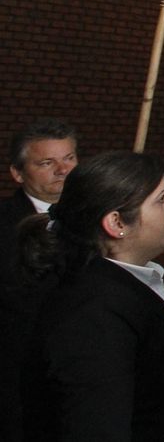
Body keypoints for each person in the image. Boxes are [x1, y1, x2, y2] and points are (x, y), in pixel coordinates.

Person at [17, 151, 164, 441]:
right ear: (116, 223)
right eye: (161, 199)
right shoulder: (91, 312)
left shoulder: (132, 281)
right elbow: (96, 425)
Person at [0, 121, 79, 442]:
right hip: (16, 373)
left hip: (76, 370)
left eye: (70, 158)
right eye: (47, 163)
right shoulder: (6, 223)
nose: (63, 170)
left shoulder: (97, 219)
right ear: (18, 173)